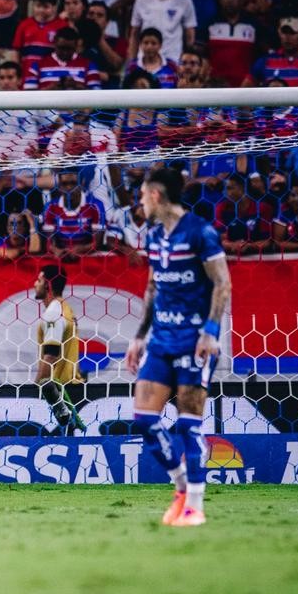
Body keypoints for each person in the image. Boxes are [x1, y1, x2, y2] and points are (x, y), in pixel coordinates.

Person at [122, 167, 230, 527]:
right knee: (144, 420)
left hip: (194, 343)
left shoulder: (200, 232)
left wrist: (211, 332)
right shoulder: (154, 236)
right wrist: (139, 336)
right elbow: (153, 287)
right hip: (161, 341)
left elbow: (222, 285)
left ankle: (195, 506)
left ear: (155, 195)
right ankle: (182, 485)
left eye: (141, 196)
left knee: (188, 426)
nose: (138, 203)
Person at [34, 264, 86, 436]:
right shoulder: (66, 309)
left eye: (39, 280)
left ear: (47, 284)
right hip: (70, 387)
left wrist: (36, 388)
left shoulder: (54, 312)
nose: (35, 283)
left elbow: (50, 356)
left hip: (59, 394)